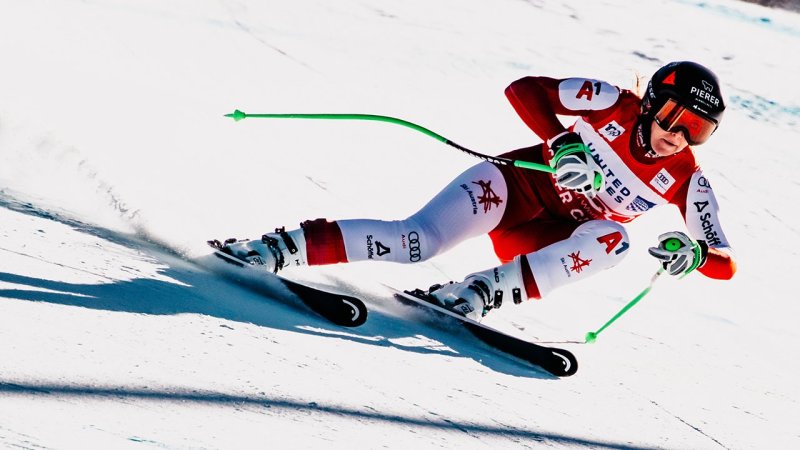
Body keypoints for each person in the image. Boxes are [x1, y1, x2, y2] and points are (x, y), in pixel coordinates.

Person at [216, 61, 737, 322]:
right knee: (415, 242)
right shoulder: (610, 103)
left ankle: (478, 293)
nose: (679, 135)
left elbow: (725, 261)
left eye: (698, 129)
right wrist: (560, 143)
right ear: (650, 104)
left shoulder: (688, 179)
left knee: (615, 241)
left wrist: (694, 254)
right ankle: (276, 248)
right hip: (511, 189)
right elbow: (523, 90)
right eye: (674, 116)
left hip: (544, 238)